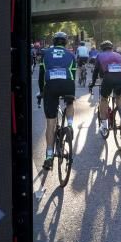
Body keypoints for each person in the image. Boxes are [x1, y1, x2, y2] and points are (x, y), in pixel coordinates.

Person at [38, 32, 76, 170]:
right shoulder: (71, 54)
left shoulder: (46, 54)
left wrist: (42, 91)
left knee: (50, 123)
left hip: (51, 86)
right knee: (70, 103)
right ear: (65, 42)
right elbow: (73, 73)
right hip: (67, 84)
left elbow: (42, 75)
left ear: (54, 42)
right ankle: (70, 125)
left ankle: (49, 156)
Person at [89, 40, 121, 135]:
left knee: (104, 99)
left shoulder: (100, 55)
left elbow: (96, 71)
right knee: (118, 96)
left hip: (108, 78)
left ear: (102, 49)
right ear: (112, 48)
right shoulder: (119, 55)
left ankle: (104, 125)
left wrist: (93, 83)